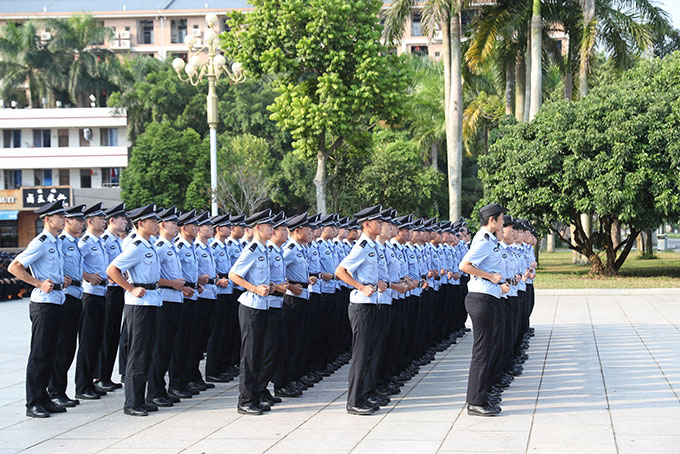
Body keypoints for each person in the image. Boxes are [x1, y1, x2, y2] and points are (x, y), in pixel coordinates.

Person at [8, 200, 69, 418]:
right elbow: (14, 266)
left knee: (51, 353)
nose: (64, 219)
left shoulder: (57, 242)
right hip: (44, 303)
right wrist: (38, 282)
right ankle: (32, 402)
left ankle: (44, 398)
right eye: (60, 216)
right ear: (48, 219)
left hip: (57, 300)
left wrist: (63, 280)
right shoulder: (41, 242)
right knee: (40, 354)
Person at [107, 204, 162, 417]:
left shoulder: (148, 245)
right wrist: (130, 288)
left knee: (146, 352)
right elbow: (112, 269)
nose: (156, 225)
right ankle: (132, 402)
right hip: (138, 306)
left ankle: (140, 398)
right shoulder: (137, 245)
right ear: (141, 224)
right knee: (137, 354)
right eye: (153, 222)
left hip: (151, 302)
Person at [335, 204, 388, 415]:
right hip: (361, 307)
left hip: (371, 304)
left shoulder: (372, 246)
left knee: (369, 353)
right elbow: (341, 271)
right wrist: (361, 286)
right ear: (367, 224)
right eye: (378, 222)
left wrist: (378, 285)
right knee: (361, 353)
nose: (381, 225)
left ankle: (364, 395)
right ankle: (354, 400)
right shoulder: (362, 247)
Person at [459, 203, 510, 417]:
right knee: (482, 352)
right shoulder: (482, 240)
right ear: (492, 220)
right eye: (501, 219)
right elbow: (465, 265)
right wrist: (491, 277)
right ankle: (475, 401)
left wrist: (498, 283)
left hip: (489, 296)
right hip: (481, 299)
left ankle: (483, 394)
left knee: (488, 349)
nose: (503, 223)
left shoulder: (489, 240)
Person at [228, 209, 275, 415]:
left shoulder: (264, 250)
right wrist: (255, 288)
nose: (272, 229)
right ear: (258, 228)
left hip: (262, 305)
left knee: (260, 353)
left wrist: (268, 286)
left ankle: (256, 395)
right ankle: (245, 400)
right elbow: (234, 275)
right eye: (269, 226)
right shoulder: (252, 249)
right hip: (251, 307)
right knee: (249, 354)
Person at [147, 207, 189, 407]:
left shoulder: (171, 246)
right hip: (164, 300)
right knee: (161, 348)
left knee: (170, 347)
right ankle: (154, 390)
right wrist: (172, 283)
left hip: (175, 299)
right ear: (163, 225)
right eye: (173, 224)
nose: (176, 227)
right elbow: (154, 277)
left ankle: (163, 388)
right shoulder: (160, 247)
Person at [48, 204, 86, 409]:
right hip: (66, 296)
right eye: (77, 220)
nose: (81, 223)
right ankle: (55, 391)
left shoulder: (76, 242)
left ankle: (60, 390)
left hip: (77, 294)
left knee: (70, 347)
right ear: (68, 222)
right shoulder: (60, 242)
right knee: (62, 347)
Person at [75, 202, 110, 400]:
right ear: (90, 222)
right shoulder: (86, 241)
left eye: (104, 219)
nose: (103, 222)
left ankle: (91, 382)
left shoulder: (98, 241)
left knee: (96, 340)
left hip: (101, 293)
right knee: (88, 341)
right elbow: (71, 264)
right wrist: (87, 275)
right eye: (100, 219)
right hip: (89, 295)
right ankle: (82, 385)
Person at [97, 203, 127, 391]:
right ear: (112, 220)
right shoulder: (105, 240)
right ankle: (100, 376)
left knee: (113, 334)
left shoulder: (117, 241)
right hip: (108, 290)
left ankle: (107, 375)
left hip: (118, 290)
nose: (125, 222)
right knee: (106, 334)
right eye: (122, 219)